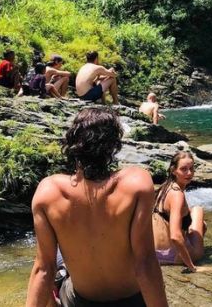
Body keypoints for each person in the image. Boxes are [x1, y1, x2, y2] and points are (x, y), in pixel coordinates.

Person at [26, 108, 168, 307]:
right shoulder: (137, 182)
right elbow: (144, 263)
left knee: (55, 268)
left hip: (80, 302)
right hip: (132, 301)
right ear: (113, 146)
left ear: (73, 144)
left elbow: (43, 269)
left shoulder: (48, 191)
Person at [152, 151, 207, 272]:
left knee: (199, 221)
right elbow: (175, 236)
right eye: (184, 169)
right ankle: (190, 255)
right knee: (198, 210)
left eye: (192, 168)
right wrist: (192, 267)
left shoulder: (164, 187)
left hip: (156, 253)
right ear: (173, 170)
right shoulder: (177, 195)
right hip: (173, 256)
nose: (189, 173)